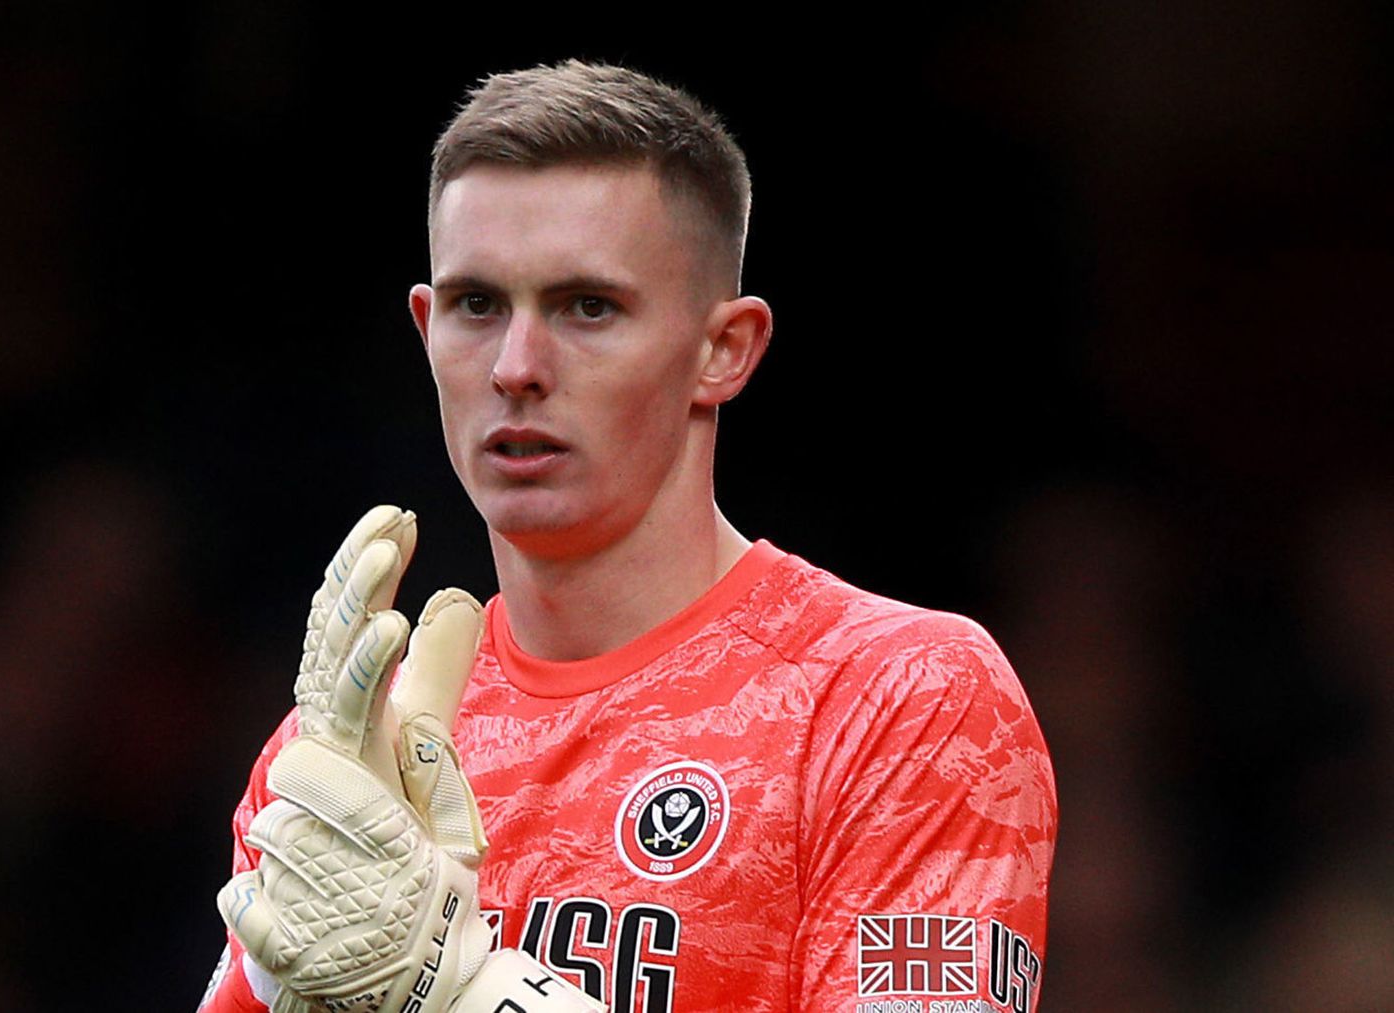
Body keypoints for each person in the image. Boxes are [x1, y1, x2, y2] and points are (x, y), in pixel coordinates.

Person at [199, 60, 1056, 1013]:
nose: (517, 367)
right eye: (478, 305)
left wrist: (473, 991)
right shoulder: (342, 760)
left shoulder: (901, 698)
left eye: (587, 307)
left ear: (722, 350)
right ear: (425, 326)